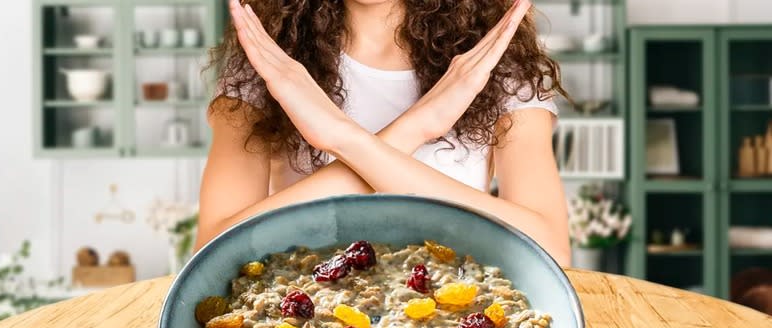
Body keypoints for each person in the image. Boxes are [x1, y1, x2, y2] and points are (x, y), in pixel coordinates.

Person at [195, 0, 571, 265]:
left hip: (456, 320)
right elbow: (212, 250)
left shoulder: (492, 66)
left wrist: (343, 138)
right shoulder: (268, 66)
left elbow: (551, 248)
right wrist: (415, 127)